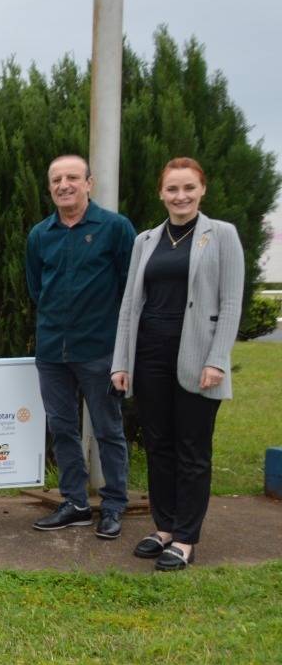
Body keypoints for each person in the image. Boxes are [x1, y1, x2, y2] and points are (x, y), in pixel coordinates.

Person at [111, 158, 244, 570]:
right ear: (161, 193)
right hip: (150, 355)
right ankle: (164, 527)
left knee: (192, 449)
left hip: (197, 358)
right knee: (158, 445)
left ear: (202, 189)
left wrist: (218, 359)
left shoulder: (222, 235)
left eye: (189, 188)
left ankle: (186, 537)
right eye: (172, 189)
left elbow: (231, 301)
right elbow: (131, 304)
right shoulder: (145, 240)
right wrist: (122, 361)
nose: (180, 196)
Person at [25, 153, 136, 539]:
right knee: (63, 428)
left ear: (89, 183)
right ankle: (74, 504)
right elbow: (37, 288)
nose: (64, 185)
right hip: (53, 350)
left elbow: (129, 289)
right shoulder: (40, 235)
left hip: (100, 350)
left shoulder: (116, 228)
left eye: (72, 177)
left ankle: (114, 505)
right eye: (56, 180)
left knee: (108, 430)